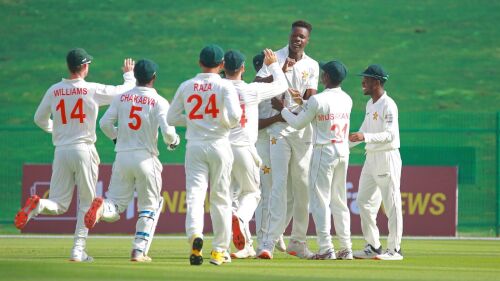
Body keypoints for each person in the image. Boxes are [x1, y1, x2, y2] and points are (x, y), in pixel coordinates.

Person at [15, 48, 135, 262]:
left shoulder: (54, 90)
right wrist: (128, 73)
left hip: (61, 151)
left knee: (59, 203)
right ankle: (77, 251)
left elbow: (39, 119)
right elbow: (124, 91)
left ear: (68, 67)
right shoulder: (91, 89)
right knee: (87, 204)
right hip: (84, 150)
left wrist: (56, 129)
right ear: (85, 66)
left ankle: (39, 205)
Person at [84, 59, 180, 262]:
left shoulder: (122, 98)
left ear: (135, 76)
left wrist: (117, 137)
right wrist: (174, 141)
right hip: (146, 158)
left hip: (122, 158)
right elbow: (168, 133)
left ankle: (102, 208)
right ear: (154, 77)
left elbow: (104, 123)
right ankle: (138, 250)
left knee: (116, 205)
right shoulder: (159, 101)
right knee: (150, 206)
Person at [167, 44, 242, 266]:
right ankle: (219, 250)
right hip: (219, 144)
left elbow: (171, 118)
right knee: (221, 198)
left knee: (195, 197)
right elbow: (236, 116)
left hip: (195, 146)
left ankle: (195, 236)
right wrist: (223, 123)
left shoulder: (187, 85)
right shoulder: (225, 86)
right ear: (221, 65)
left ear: (200, 63)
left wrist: (192, 120)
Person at [273, 60, 353, 260]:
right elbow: (322, 110)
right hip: (342, 151)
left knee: (319, 202)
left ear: (326, 77)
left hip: (324, 152)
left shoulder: (318, 100)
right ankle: (346, 247)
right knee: (339, 201)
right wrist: (303, 102)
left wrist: (282, 109)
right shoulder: (347, 99)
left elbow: (299, 123)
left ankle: (326, 247)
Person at [255, 20, 319, 260]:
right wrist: (279, 69)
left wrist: (298, 101)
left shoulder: (312, 65)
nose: (297, 40)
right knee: (278, 185)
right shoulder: (274, 56)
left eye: (301, 37)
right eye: (294, 36)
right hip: (278, 131)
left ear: (307, 40)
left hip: (302, 130)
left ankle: (298, 242)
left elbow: (310, 98)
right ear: (290, 36)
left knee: (302, 188)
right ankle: (268, 243)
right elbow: (257, 83)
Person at [223, 49, 287, 259]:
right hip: (243, 148)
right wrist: (274, 64)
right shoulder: (251, 90)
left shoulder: (217, 89)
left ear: (223, 67)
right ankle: (241, 218)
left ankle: (242, 246)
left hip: (221, 149)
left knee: (229, 197)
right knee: (252, 193)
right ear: (243, 68)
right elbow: (282, 85)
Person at [349, 64, 403, 261]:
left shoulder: (388, 104)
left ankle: (395, 249)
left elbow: (390, 135)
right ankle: (374, 246)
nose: (363, 82)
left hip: (386, 157)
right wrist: (345, 145)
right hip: (370, 158)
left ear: (377, 82)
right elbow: (364, 128)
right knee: (363, 201)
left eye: (367, 79)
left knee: (392, 205)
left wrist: (365, 136)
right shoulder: (370, 104)